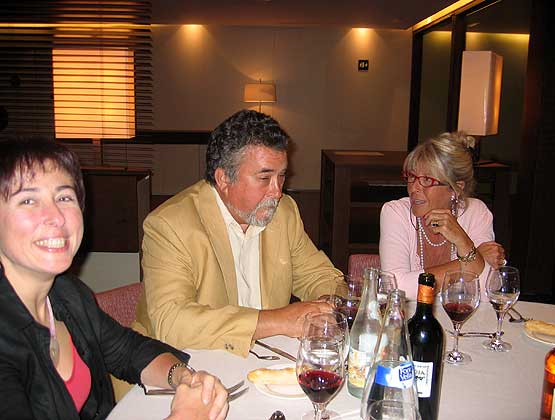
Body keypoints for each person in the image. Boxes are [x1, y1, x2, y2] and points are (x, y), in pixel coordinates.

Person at [0, 138, 228, 420]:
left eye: (64, 197)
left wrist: (183, 376)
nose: (56, 217)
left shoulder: (66, 294)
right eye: (28, 200)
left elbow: (128, 351)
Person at [134, 109, 346, 357]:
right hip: (181, 363)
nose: (277, 192)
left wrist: (327, 305)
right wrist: (278, 320)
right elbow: (171, 322)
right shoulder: (170, 225)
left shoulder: (283, 212)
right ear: (224, 179)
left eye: (281, 176)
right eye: (265, 178)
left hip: (263, 360)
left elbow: (320, 276)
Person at [379, 131, 506, 299]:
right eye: (412, 177)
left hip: (461, 315)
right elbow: (396, 288)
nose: (414, 188)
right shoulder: (395, 212)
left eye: (427, 180)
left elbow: (488, 290)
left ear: (455, 188)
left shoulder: (476, 212)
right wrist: (467, 262)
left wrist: (463, 241)